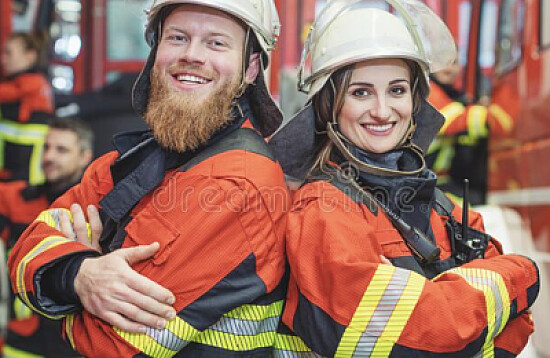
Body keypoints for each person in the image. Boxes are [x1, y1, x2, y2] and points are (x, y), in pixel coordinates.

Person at [8, 0, 289, 357]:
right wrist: (80, 274)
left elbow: (106, 346)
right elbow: (26, 244)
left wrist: (63, 290)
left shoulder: (238, 185)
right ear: (156, 51)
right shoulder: (130, 160)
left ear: (250, 68)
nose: (192, 55)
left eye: (216, 43)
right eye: (177, 37)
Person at [268, 1, 539, 357]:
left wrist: (439, 304)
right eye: (360, 92)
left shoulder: (442, 207)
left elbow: (520, 325)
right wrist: (524, 273)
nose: (382, 111)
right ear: (327, 105)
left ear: (416, 99)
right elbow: (427, 337)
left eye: (396, 90)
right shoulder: (323, 210)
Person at [0, 117, 93, 358]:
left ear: (84, 156)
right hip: (21, 344)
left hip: (74, 346)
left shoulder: (97, 208)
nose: (49, 157)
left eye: (61, 150)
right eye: (47, 147)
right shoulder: (17, 198)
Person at [426, 61, 516, 204]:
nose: (450, 68)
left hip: (440, 181)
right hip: (427, 185)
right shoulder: (427, 90)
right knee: (470, 211)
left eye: (454, 63)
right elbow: (451, 120)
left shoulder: (449, 93)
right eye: (445, 62)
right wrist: (496, 112)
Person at [0, 31, 54, 185]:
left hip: (24, 170)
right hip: (17, 164)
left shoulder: (32, 83)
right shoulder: (33, 81)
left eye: (9, 53)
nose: (3, 59)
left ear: (30, 56)